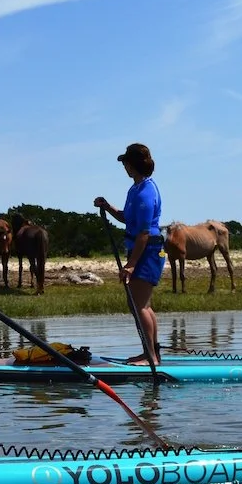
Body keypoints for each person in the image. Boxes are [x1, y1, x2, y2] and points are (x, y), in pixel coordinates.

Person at [94, 143, 165, 366]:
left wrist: (132, 264)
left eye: (125, 162)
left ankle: (150, 357)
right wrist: (107, 207)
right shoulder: (135, 189)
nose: (124, 166)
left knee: (139, 304)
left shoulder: (146, 192)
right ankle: (151, 353)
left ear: (132, 165)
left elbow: (144, 232)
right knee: (142, 304)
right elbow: (127, 217)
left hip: (149, 250)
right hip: (142, 250)